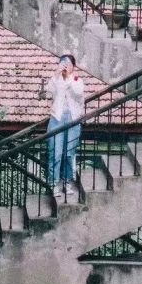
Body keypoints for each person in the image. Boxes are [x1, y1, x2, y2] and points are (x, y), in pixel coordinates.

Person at [46, 54, 85, 197]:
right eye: (63, 63)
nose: (65, 66)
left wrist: (68, 76)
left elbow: (77, 93)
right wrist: (56, 75)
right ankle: (53, 183)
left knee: (69, 154)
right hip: (57, 118)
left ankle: (67, 183)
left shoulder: (77, 80)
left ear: (73, 67)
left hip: (73, 120)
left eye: (68, 63)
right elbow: (49, 91)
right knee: (55, 153)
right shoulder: (56, 80)